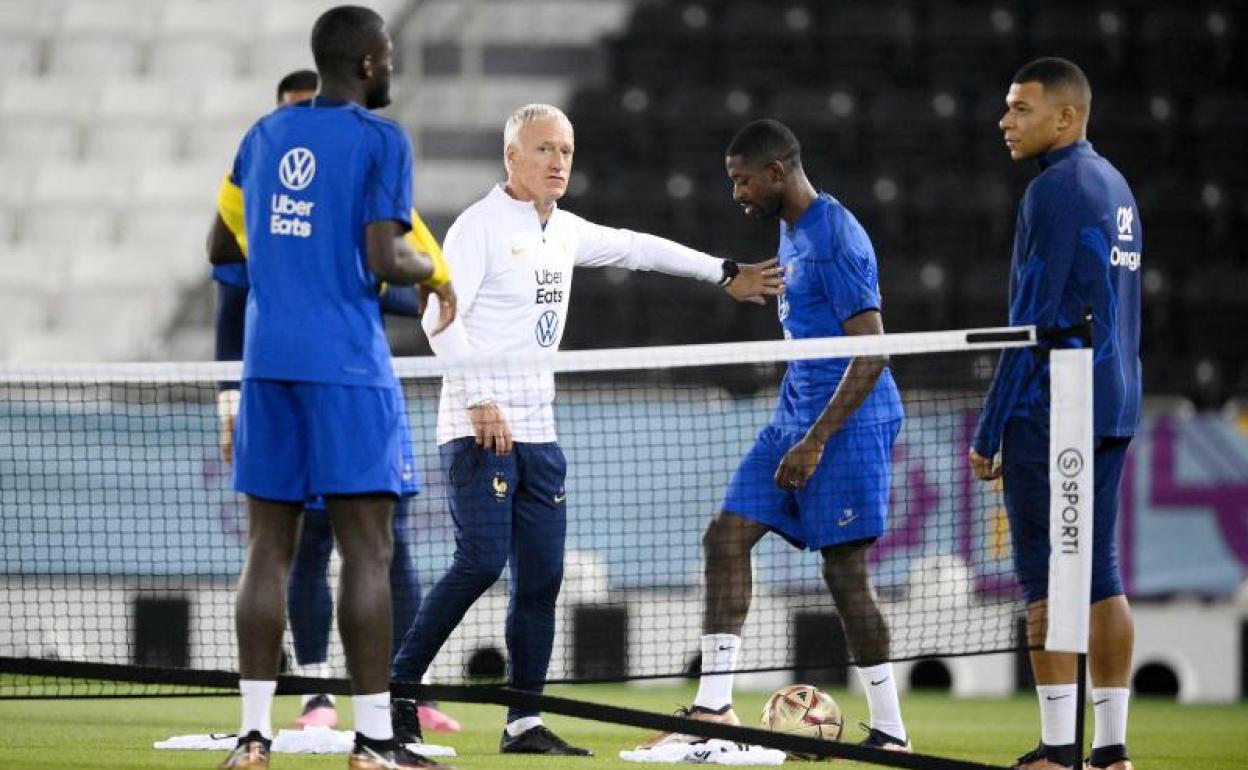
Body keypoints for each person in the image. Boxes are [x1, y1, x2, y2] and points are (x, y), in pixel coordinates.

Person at [389, 103, 783, 757]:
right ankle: (398, 694)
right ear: (512, 156)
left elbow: (639, 248)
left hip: (539, 435)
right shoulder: (478, 228)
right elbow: (439, 319)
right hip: (475, 428)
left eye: (566, 150)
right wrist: (480, 399)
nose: (558, 162)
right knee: (481, 561)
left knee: (541, 579)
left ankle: (523, 722)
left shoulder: (564, 230)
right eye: (544, 149)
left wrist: (723, 272)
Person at [207, 6, 456, 769]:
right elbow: (388, 256)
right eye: (391, 60)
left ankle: (254, 737)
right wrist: (439, 273)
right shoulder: (383, 139)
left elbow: (222, 244)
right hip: (346, 367)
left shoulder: (263, 133)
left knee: (267, 550)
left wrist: (290, 254)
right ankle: (375, 741)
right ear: (372, 62)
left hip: (267, 365)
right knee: (368, 551)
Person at [639, 119, 910, 754]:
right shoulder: (790, 231)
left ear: (776, 172)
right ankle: (712, 714)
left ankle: (892, 733)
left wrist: (815, 440)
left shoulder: (836, 238)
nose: (736, 193)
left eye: (741, 180)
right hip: (794, 415)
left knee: (844, 574)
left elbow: (874, 356)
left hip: (847, 424)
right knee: (725, 539)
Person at [969, 58, 1140, 770]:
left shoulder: (1055, 189)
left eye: (1020, 109)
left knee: (1044, 579)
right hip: (1115, 398)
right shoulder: (1115, 185)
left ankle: (1056, 749)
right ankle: (1111, 750)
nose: (1005, 122)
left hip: (1056, 408)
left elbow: (1031, 321)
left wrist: (989, 429)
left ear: (1065, 117)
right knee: (1100, 576)